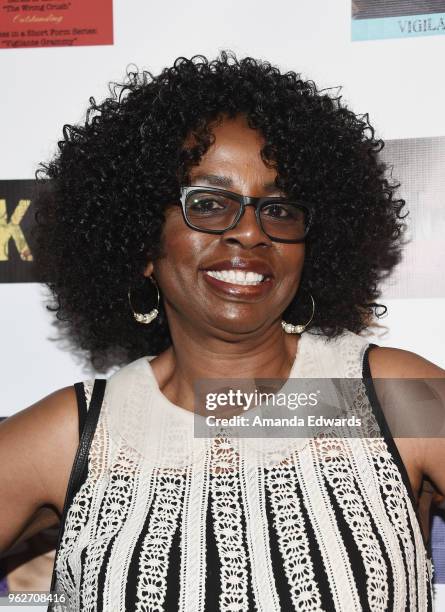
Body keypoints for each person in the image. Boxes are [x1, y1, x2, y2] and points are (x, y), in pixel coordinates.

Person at [0, 52, 444, 611]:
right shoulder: (78, 435)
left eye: (279, 210)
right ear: (141, 242)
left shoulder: (395, 398)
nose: (252, 233)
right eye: (209, 204)